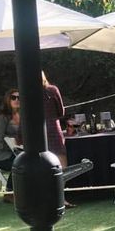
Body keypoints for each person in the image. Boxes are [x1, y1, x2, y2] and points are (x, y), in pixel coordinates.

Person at [42, 72, 75, 208]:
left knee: (43, 166)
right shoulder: (52, 90)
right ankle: (60, 198)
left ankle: (47, 198)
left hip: (37, 131)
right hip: (53, 129)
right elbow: (61, 112)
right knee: (62, 165)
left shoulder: (26, 93)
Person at [0, 88, 20, 202]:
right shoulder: (2, 117)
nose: (16, 100)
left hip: (17, 151)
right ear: (8, 100)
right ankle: (9, 193)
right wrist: (14, 149)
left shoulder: (23, 115)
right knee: (20, 164)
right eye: (13, 97)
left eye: (19, 97)